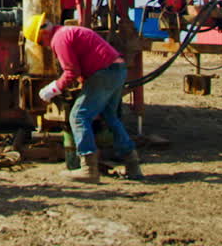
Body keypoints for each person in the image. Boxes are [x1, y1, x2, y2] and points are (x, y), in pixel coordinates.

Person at [24, 13, 143, 183]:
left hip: (104, 73)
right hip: (117, 70)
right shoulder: (68, 32)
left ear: (42, 34)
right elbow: (81, 68)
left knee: (78, 117)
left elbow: (71, 72)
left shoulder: (59, 39)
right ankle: (133, 164)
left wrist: (53, 88)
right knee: (110, 117)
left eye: (41, 43)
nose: (45, 46)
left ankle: (88, 169)